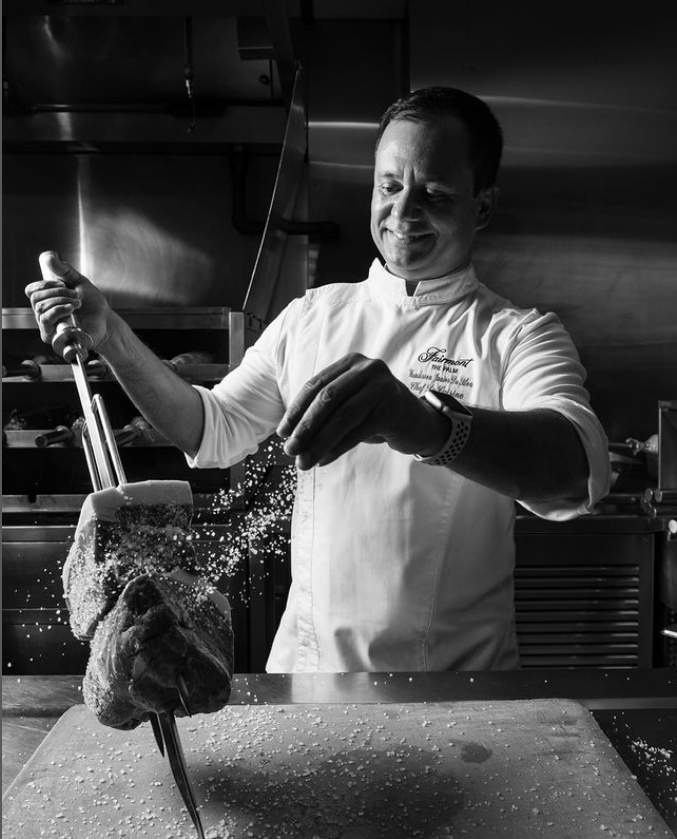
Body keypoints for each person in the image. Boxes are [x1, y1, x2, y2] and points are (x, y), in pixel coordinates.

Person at [26, 86, 610, 673]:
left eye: (434, 193)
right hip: (309, 678)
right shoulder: (312, 316)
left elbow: (575, 470)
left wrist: (423, 425)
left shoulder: (516, 335)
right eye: (389, 186)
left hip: (457, 686)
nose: (403, 212)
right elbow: (209, 428)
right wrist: (111, 334)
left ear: (482, 206)